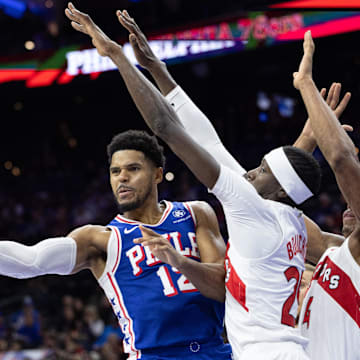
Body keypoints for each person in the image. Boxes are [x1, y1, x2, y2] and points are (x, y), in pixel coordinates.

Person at [63, 4, 342, 359]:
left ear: (278, 189)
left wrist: (119, 57)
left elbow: (169, 129)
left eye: (260, 170)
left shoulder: (251, 208)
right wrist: (158, 69)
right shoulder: (295, 223)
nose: (249, 172)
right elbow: (249, 159)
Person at [0, 126, 231, 357]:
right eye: (115, 171)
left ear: (158, 175)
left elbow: (224, 287)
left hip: (214, 349)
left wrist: (180, 262)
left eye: (133, 168)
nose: (122, 177)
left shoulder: (196, 213)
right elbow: (29, 262)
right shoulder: (100, 239)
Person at [294, 30, 360, 360]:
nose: (349, 200)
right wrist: (308, 136)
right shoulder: (333, 248)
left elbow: (342, 161)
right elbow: (267, 205)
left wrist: (306, 85)